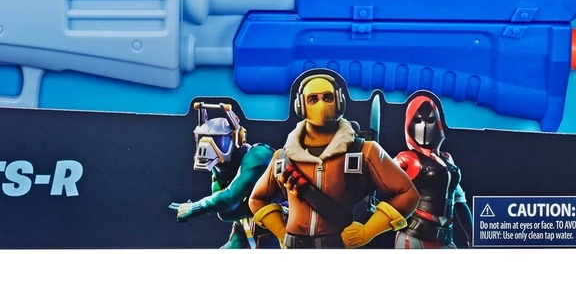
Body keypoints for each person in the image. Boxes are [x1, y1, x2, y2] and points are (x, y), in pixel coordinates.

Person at [249, 71, 418, 249]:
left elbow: (407, 194)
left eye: (328, 98)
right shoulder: (283, 159)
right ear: (301, 105)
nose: (321, 105)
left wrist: (367, 231)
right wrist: (282, 233)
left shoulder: (364, 152)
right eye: (313, 99)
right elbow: (257, 199)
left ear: (339, 101)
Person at [170, 103, 279, 248]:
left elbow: (229, 200)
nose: (207, 147)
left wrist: (196, 207)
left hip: (279, 227)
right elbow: (225, 212)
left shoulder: (258, 156)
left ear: (237, 138)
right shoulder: (221, 167)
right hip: (247, 230)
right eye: (202, 139)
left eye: (217, 140)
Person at [393, 92, 472, 248]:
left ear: (437, 124)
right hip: (413, 238)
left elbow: (459, 201)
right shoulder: (406, 158)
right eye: (418, 120)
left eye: (429, 120)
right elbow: (379, 179)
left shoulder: (447, 159)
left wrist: (473, 237)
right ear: (409, 124)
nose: (423, 126)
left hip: (444, 239)